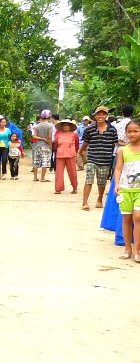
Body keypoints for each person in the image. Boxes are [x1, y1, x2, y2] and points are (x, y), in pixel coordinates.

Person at [101, 104, 135, 241]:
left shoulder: (117, 125)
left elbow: (115, 142)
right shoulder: (132, 126)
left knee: (118, 198)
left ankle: (117, 228)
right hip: (126, 159)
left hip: (118, 157)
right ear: (133, 113)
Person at [78, 105, 120, 210]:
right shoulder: (89, 129)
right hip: (92, 158)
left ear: (106, 115)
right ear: (95, 116)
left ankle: (100, 199)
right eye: (99, 114)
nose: (101, 116)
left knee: (102, 183)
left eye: (103, 114)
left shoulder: (112, 130)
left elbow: (115, 143)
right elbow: (85, 143)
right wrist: (80, 153)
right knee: (89, 180)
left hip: (105, 160)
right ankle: (85, 202)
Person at [112, 119, 140, 261]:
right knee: (127, 218)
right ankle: (127, 248)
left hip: (139, 191)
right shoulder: (123, 151)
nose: (132, 134)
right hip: (126, 189)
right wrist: (116, 184)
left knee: (138, 217)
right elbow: (118, 168)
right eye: (129, 131)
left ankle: (137, 250)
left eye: (136, 131)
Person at [53, 119, 80, 194]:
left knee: (72, 172)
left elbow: (77, 145)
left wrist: (76, 152)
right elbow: (56, 144)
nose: (66, 127)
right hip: (60, 155)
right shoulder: (58, 135)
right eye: (64, 125)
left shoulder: (74, 135)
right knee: (59, 173)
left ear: (70, 126)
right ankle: (58, 188)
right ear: (61, 127)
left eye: (67, 125)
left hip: (71, 155)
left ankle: (74, 187)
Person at [31, 109, 55, 182]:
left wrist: (41, 138)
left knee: (36, 161)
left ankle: (35, 177)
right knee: (45, 161)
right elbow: (50, 137)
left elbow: (34, 136)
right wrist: (50, 146)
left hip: (37, 145)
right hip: (46, 146)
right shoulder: (50, 126)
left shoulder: (37, 126)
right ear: (49, 116)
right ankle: (42, 178)